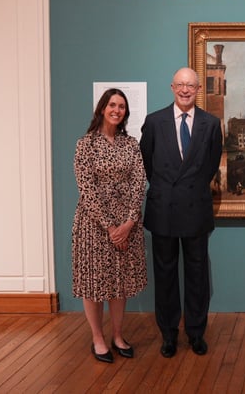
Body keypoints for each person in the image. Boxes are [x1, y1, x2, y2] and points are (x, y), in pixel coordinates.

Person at [140, 67, 223, 358]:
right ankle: (169, 334)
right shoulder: (154, 122)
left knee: (197, 274)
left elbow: (210, 166)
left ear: (198, 89)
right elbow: (146, 164)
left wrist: (188, 188)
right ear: (172, 87)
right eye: (180, 85)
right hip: (163, 208)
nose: (185, 90)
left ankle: (196, 333)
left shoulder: (211, 124)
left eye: (191, 85)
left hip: (196, 208)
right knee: (165, 276)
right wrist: (166, 190)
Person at [71, 88, 148, 363]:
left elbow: (140, 182)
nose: (117, 110)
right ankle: (98, 338)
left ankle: (117, 335)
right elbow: (86, 189)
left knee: (120, 283)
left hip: (127, 223)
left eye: (122, 106)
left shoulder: (131, 144)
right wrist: (110, 227)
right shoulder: (86, 144)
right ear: (102, 108)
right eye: (112, 105)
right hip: (93, 225)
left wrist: (128, 223)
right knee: (94, 284)